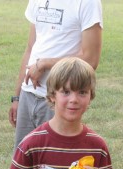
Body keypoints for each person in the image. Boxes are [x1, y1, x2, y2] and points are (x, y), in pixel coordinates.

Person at [6, 57, 114, 169]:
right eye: (65, 92)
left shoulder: (97, 146)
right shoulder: (32, 143)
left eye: (82, 92)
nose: (74, 99)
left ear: (91, 97)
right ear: (51, 95)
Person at [9, 0, 103, 148]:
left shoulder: (87, 2)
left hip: (60, 98)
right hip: (28, 95)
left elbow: (90, 59)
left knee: (56, 160)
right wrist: (17, 97)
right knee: (23, 160)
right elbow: (30, 48)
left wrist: (45, 64)